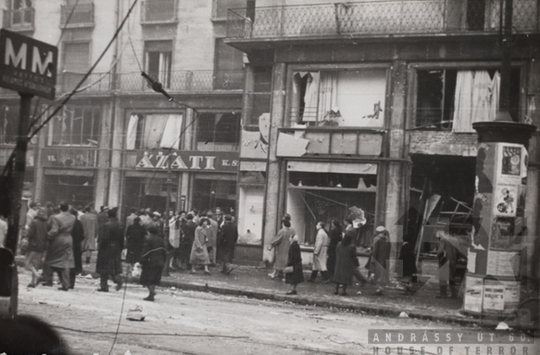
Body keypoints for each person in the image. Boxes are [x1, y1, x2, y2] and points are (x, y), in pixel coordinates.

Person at [40, 202, 76, 291]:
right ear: (68, 208)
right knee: (65, 260)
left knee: (50, 258)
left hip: (58, 239)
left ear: (60, 208)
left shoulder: (56, 217)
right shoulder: (73, 217)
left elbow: (54, 230)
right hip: (68, 238)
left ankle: (48, 279)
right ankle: (66, 283)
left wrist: (47, 236)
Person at [96, 209, 123, 292]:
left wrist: (100, 246)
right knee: (114, 266)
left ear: (108, 216)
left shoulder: (106, 225)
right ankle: (117, 280)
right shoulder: (120, 225)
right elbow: (121, 239)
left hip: (106, 248)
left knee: (104, 268)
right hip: (116, 247)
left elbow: (104, 238)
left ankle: (104, 286)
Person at [140, 226, 167, 301]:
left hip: (150, 261)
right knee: (155, 279)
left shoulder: (148, 239)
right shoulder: (161, 239)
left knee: (146, 278)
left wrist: (142, 260)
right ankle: (151, 295)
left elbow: (145, 251)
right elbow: (164, 251)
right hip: (160, 261)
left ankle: (152, 292)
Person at [25, 208, 48, 288]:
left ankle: (37, 275)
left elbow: (30, 234)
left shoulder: (34, 222)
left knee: (28, 263)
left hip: (33, 245)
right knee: (36, 264)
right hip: (42, 246)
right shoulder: (46, 223)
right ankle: (33, 282)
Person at [436, 230, 460, 298]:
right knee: (451, 277)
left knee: (442, 277)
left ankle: (443, 294)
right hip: (453, 260)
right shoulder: (456, 240)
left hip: (444, 260)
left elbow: (440, 251)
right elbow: (458, 251)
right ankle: (454, 293)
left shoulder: (443, 240)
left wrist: (438, 257)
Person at [371, 225, 392, 295]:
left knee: (376, 274)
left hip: (378, 259)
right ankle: (380, 289)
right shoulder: (387, 239)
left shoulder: (376, 239)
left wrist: (373, 259)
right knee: (382, 275)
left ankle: (378, 289)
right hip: (385, 260)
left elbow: (375, 251)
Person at [69, 208, 84, 289]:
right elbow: (82, 235)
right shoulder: (79, 223)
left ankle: (65, 281)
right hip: (77, 245)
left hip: (69, 244)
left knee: (67, 263)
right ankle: (72, 283)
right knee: (74, 264)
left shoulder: (69, 222)